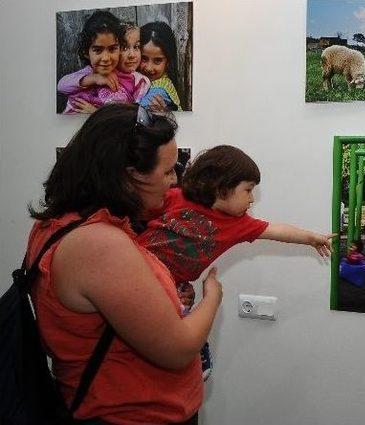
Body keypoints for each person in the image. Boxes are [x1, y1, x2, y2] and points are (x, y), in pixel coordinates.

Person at [26, 104, 219, 424]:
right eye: (168, 170)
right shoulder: (97, 244)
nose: (174, 182)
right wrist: (213, 297)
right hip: (129, 415)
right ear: (131, 176)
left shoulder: (60, 223)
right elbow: (179, 349)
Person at [137, 145, 333, 378]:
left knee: (180, 312)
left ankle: (196, 347)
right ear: (221, 187)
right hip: (137, 270)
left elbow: (276, 230)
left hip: (173, 285)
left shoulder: (239, 224)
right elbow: (135, 214)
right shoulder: (175, 197)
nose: (251, 199)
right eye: (248, 190)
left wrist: (312, 238)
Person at [59, 21, 152, 114]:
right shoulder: (95, 70)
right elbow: (61, 86)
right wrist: (94, 78)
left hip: (101, 123)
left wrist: (96, 113)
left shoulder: (140, 82)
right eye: (124, 47)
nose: (132, 55)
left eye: (137, 47)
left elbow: (133, 114)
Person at [139, 21, 183, 111]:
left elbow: (131, 114)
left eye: (158, 60)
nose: (149, 68)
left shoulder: (159, 91)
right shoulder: (139, 79)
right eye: (144, 58)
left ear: (168, 62)